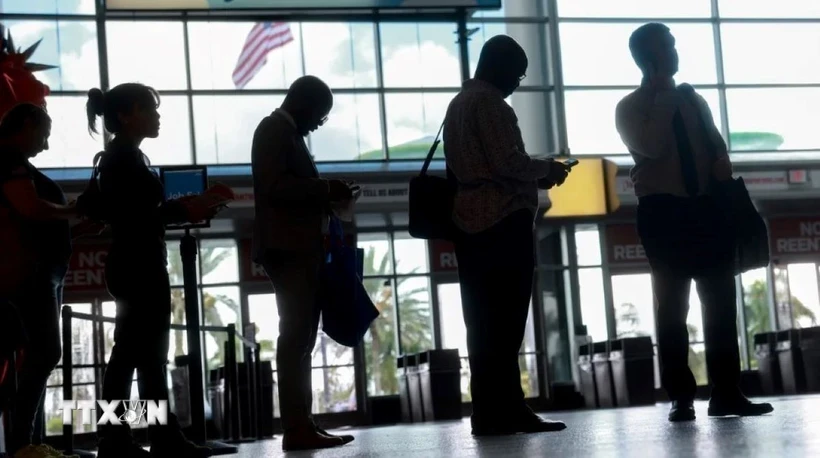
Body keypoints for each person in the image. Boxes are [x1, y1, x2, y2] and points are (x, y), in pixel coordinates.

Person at [615, 23, 773, 422]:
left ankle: (726, 392)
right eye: (665, 46)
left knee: (720, 304)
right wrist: (663, 90)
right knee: (672, 306)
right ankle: (681, 397)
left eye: (672, 43)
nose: (674, 50)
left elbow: (716, 146)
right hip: (663, 213)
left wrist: (721, 167)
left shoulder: (693, 99)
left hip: (706, 209)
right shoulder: (631, 107)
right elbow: (652, 146)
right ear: (647, 57)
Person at [443, 35, 570, 436]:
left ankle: (486, 413)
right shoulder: (491, 105)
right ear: (496, 66)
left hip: (466, 224)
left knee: (481, 324)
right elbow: (507, 162)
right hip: (501, 220)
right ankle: (511, 410)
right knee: (509, 322)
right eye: (517, 72)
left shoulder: (458, 104)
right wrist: (547, 169)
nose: (518, 81)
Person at [85, 83, 217, 457]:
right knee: (137, 354)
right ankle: (129, 438)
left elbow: (136, 215)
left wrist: (186, 208)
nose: (158, 117)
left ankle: (138, 437)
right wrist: (186, 209)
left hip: (134, 262)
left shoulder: (123, 158)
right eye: (150, 109)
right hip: (139, 264)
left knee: (138, 356)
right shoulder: (123, 160)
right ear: (127, 115)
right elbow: (137, 217)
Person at [251, 75, 355, 451]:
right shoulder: (273, 130)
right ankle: (296, 427)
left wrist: (329, 193)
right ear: (304, 104)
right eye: (320, 116)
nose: (318, 124)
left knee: (302, 340)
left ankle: (303, 422)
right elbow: (275, 186)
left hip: (297, 249)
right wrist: (326, 188)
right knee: (295, 338)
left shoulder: (286, 132)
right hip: (288, 250)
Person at [0, 103, 78, 458]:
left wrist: (72, 221)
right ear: (27, 124)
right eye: (44, 135)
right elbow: (29, 208)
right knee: (45, 351)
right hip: (28, 273)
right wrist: (73, 211)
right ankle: (20, 443)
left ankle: (25, 441)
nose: (45, 146)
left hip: (37, 272)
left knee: (38, 354)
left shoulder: (15, 162)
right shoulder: (7, 158)